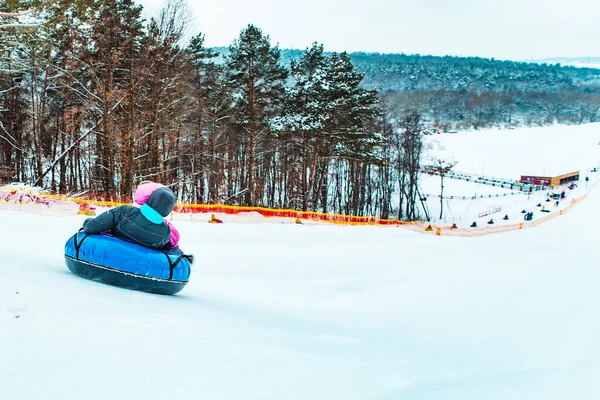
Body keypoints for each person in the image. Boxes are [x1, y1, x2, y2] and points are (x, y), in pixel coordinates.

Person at [82, 182, 179, 250]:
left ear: (151, 199)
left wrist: (87, 222)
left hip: (111, 251)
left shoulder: (125, 211)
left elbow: (94, 226)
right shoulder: (166, 232)